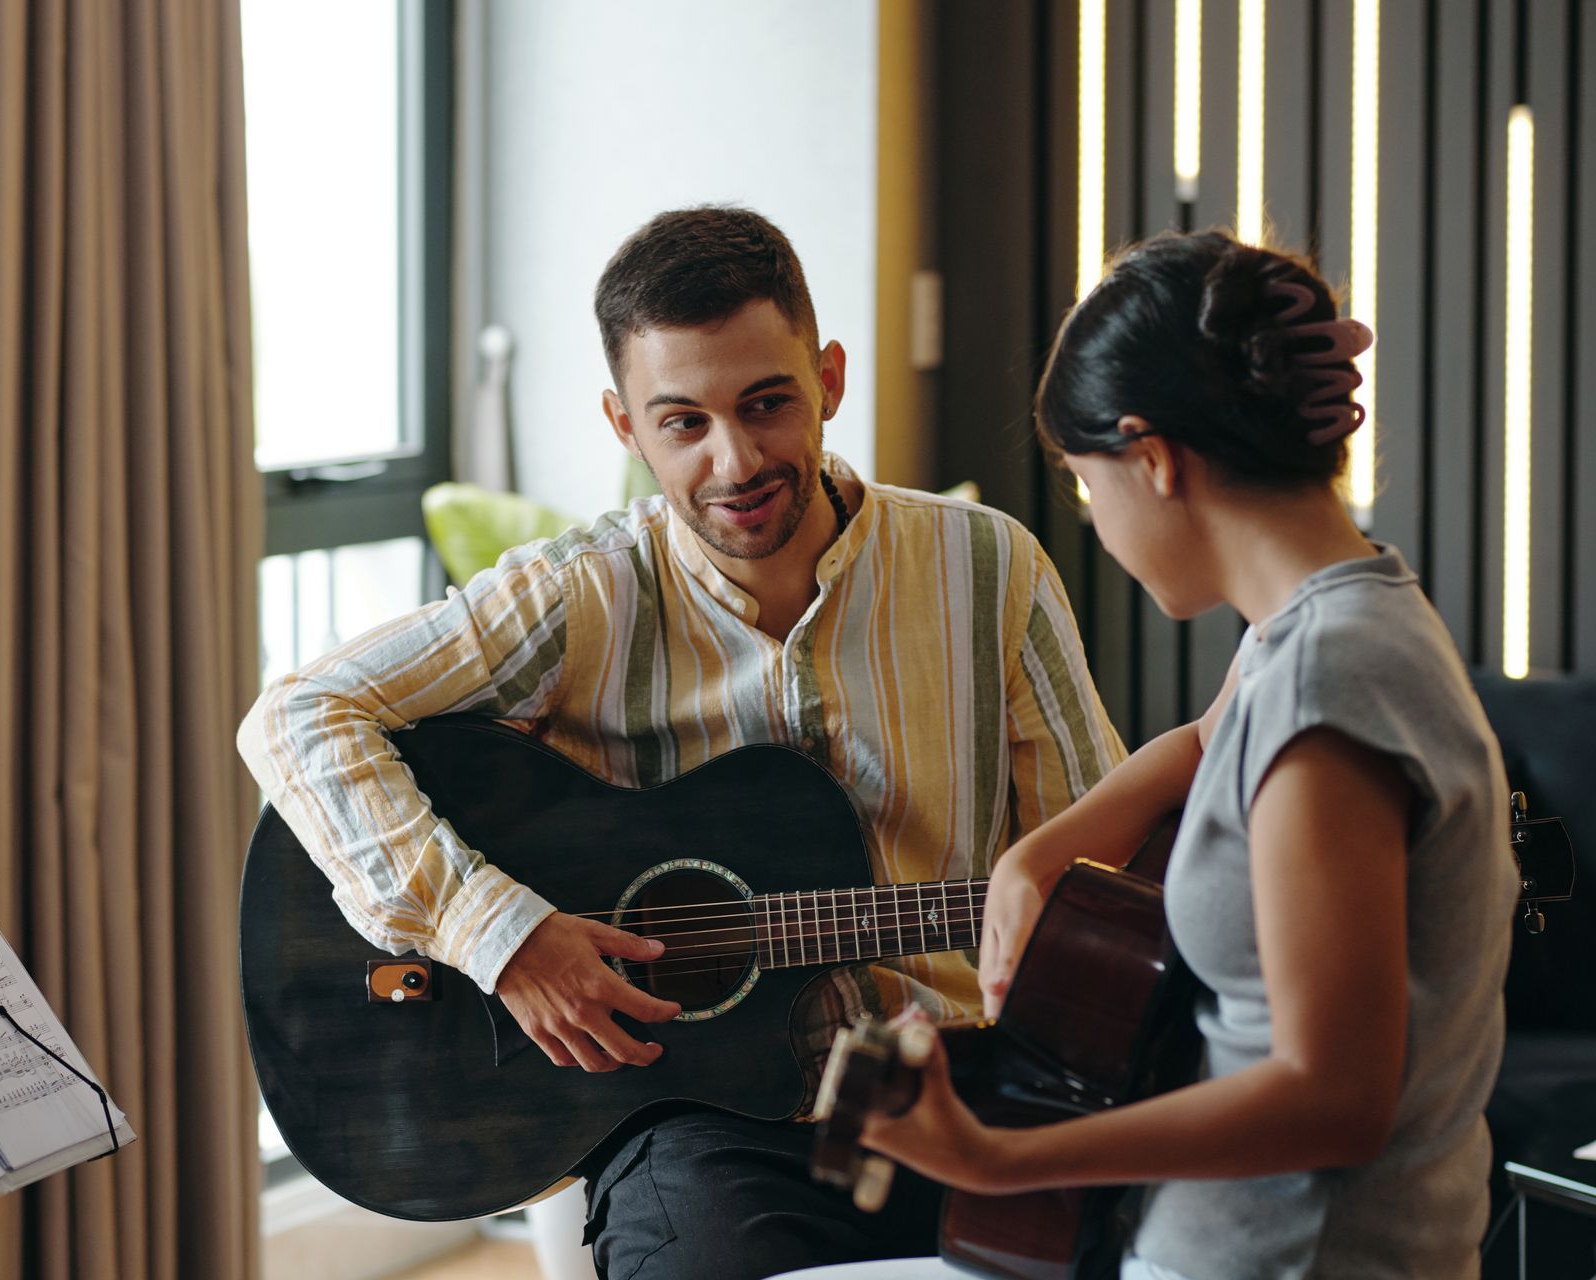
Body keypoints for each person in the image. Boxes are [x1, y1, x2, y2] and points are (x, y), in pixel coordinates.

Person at [238, 205, 1123, 1280]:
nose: (735, 459)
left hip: (961, 1087)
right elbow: (298, 715)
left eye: (767, 403)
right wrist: (498, 932)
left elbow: (1101, 858)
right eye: (683, 422)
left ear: (830, 378)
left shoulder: (989, 567)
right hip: (702, 1120)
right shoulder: (576, 594)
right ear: (624, 425)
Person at [859, 230, 1518, 1279]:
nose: (1101, 530)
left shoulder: (1329, 679)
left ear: (1154, 459)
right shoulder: (1322, 622)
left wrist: (994, 1156)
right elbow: (1211, 736)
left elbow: (1331, 1099)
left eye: (1087, 485)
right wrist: (1039, 857)